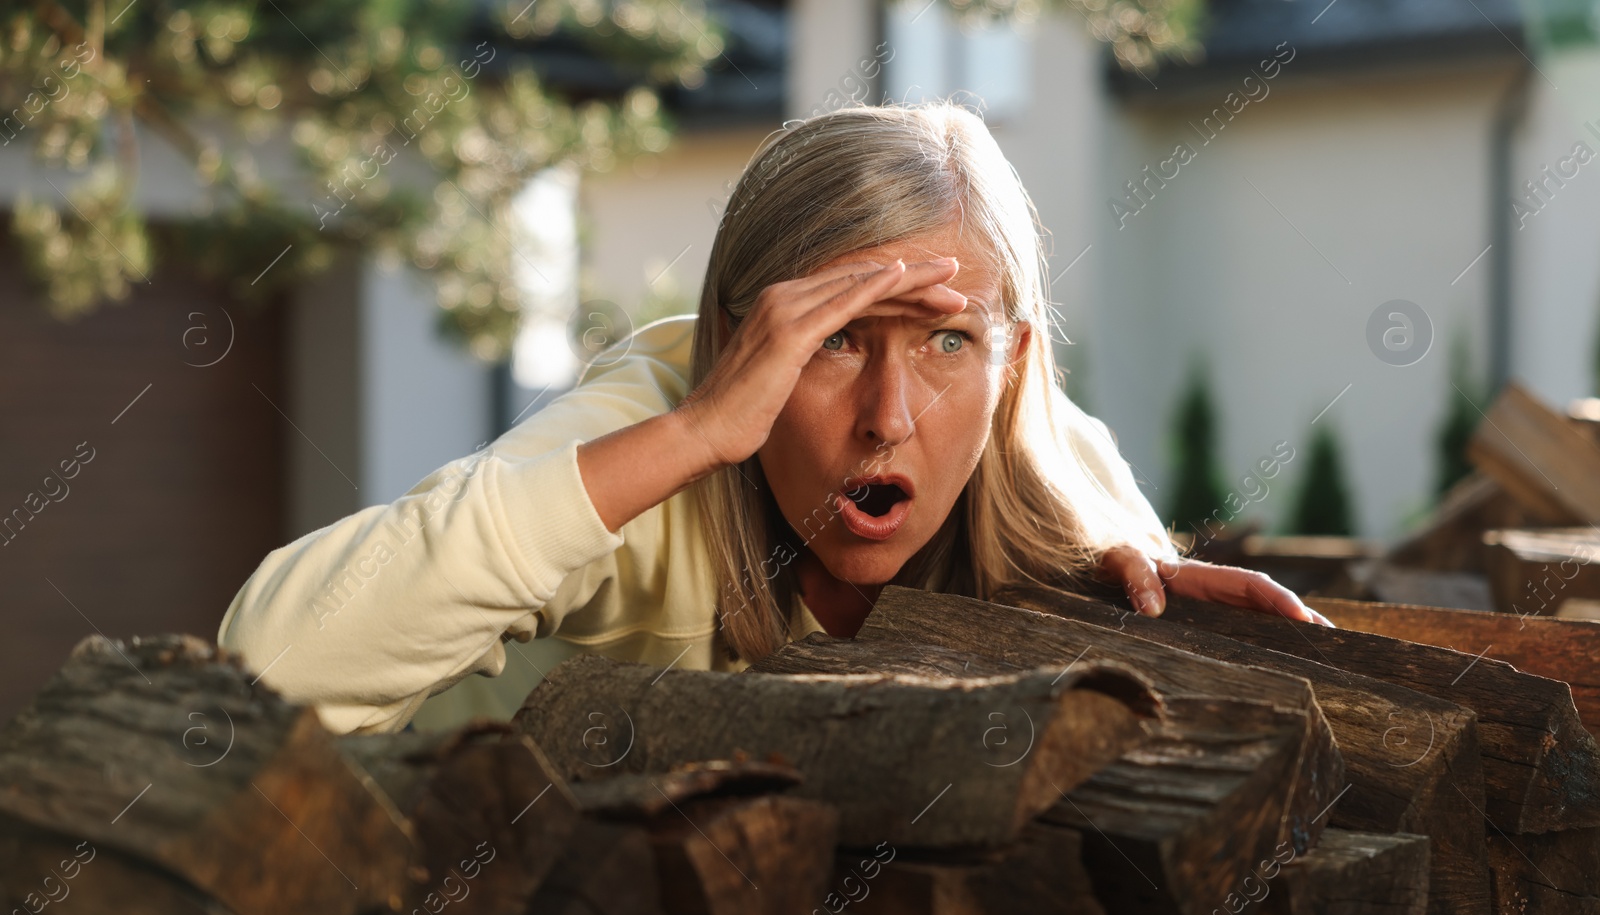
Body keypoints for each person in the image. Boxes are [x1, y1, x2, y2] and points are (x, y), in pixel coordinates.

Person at [218, 100, 1328, 735]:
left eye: (946, 341)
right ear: (736, 339)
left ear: (1014, 360)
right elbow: (264, 664)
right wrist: (697, 433)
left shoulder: (1056, 465)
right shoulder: (652, 410)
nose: (888, 417)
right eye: (834, 339)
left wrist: (1144, 619)